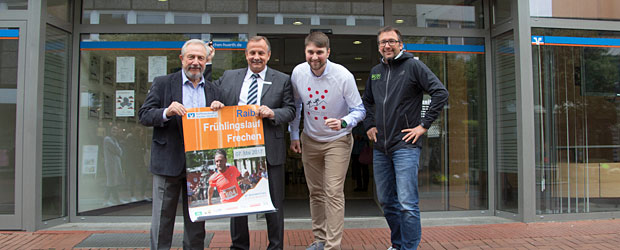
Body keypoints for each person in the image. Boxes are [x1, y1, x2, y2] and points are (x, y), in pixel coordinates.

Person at [362, 26, 449, 250]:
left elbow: (440, 93)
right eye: (383, 42)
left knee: (407, 203)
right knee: (386, 201)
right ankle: (398, 243)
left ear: (401, 44)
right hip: (381, 146)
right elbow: (367, 102)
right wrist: (369, 124)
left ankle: (409, 247)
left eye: (391, 41)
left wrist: (423, 126)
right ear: (379, 47)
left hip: (406, 146)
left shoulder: (413, 66)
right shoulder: (375, 72)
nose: (387, 45)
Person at [212, 36, 295, 250]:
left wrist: (273, 113)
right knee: (237, 203)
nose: (256, 57)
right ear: (246, 55)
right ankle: (239, 247)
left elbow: (291, 110)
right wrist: (216, 103)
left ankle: (275, 247)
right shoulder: (229, 77)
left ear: (268, 55)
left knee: (274, 204)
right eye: (252, 53)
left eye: (260, 53)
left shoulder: (282, 79)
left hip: (269, 150)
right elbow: (211, 94)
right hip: (237, 147)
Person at [138, 38, 219, 250]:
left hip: (199, 166)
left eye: (200, 58)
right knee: (162, 220)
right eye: (191, 57)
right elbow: (144, 115)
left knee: (196, 222)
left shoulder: (212, 89)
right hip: (168, 162)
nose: (195, 62)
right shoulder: (163, 83)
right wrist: (166, 111)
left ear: (205, 61)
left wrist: (220, 109)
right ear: (182, 58)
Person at [289, 31, 365, 250]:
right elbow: (296, 106)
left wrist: (344, 122)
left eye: (319, 52)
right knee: (316, 192)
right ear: (305, 51)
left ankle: (333, 246)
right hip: (310, 139)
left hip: (337, 140)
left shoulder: (343, 76)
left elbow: (359, 110)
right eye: (310, 52)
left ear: (328, 52)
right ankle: (320, 240)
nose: (315, 57)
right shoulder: (298, 73)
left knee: (332, 191)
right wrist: (294, 134)